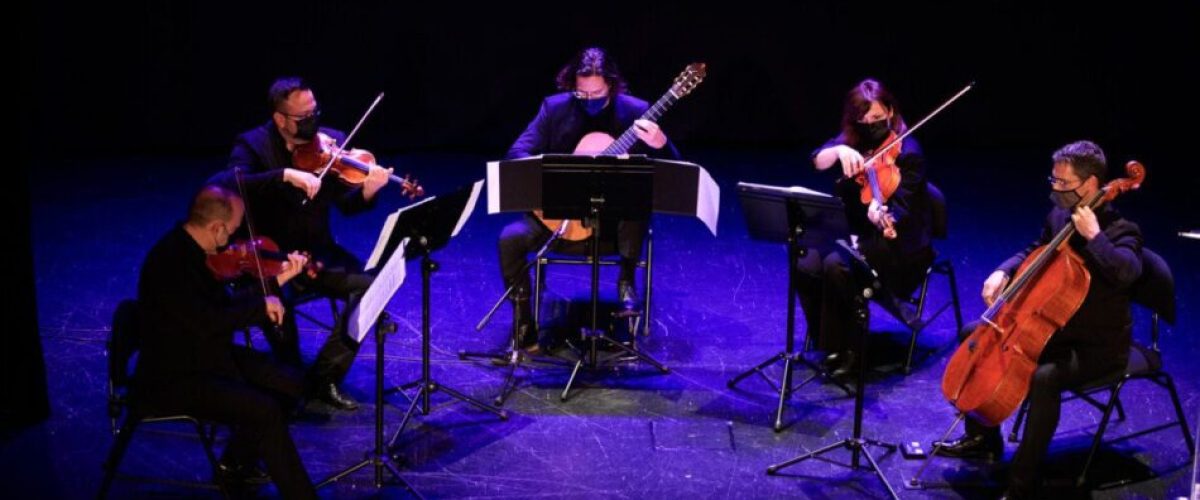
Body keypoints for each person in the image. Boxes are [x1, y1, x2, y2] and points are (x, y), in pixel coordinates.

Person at [933, 140, 1143, 498]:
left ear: (1090, 184)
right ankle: (982, 438)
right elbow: (1036, 250)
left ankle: (1022, 483)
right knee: (975, 331)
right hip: (1050, 330)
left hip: (1097, 345)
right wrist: (1004, 270)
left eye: (1063, 183)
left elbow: (1128, 273)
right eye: (1054, 180)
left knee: (1045, 377)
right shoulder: (1060, 217)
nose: (1055, 189)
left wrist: (1094, 237)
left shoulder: (1122, 231)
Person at [134, 185, 316, 499]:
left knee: (290, 383)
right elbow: (210, 322)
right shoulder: (170, 264)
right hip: (174, 374)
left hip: (204, 353)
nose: (234, 238)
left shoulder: (197, 251)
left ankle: (235, 465)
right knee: (265, 410)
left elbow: (222, 308)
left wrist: (274, 282)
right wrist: (260, 307)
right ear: (217, 228)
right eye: (232, 230)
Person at [498, 47, 680, 351]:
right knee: (509, 239)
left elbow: (673, 172)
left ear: (611, 84)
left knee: (637, 195)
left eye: (596, 92)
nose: (589, 100)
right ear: (572, 86)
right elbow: (517, 154)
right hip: (558, 221)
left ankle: (626, 279)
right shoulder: (554, 109)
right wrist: (557, 175)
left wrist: (661, 144)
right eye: (581, 94)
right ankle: (524, 325)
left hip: (615, 230)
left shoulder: (636, 112)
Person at [799, 78, 935, 376]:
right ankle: (828, 341)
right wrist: (838, 152)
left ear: (889, 110)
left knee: (837, 265)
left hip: (897, 244)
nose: (871, 124)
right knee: (805, 260)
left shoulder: (909, 151)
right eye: (864, 119)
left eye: (877, 117)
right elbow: (816, 161)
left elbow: (903, 210)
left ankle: (851, 349)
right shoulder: (854, 139)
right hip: (852, 231)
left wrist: (882, 214)